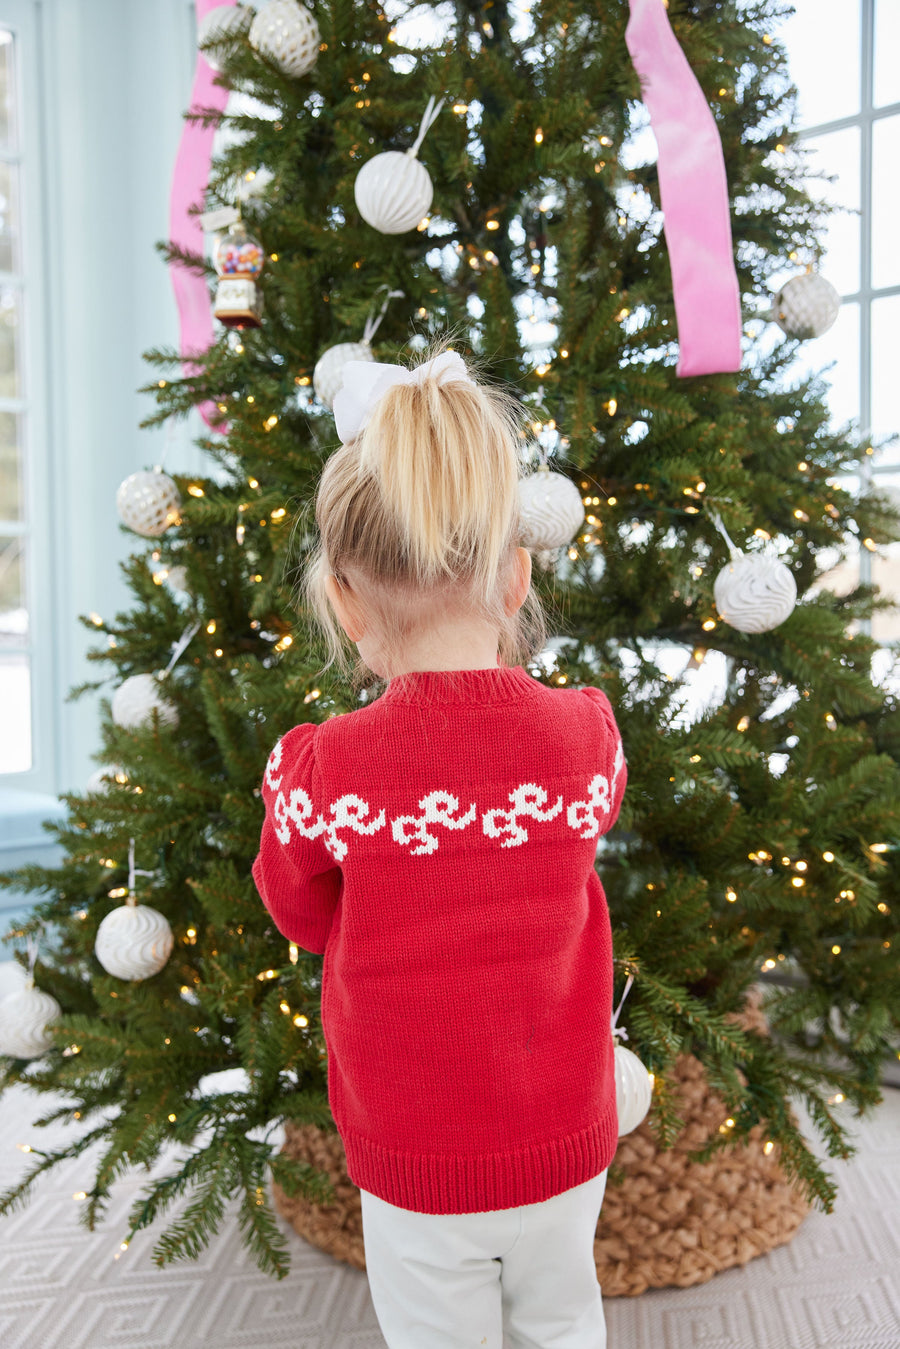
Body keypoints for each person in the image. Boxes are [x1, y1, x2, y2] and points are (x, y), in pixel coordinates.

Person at [251, 344, 627, 1349]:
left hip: (414, 1151)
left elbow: (297, 907)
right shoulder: (588, 734)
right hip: (566, 1134)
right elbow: (583, 832)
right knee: (563, 1317)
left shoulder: (322, 768)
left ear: (343, 597)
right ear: (514, 575)